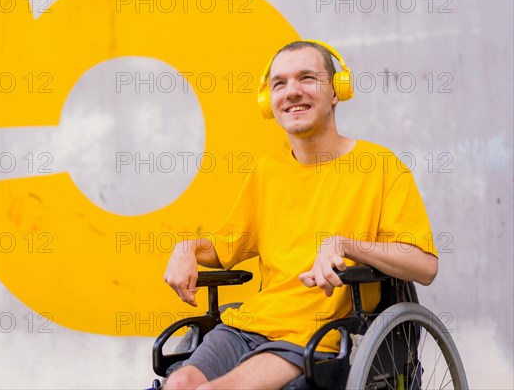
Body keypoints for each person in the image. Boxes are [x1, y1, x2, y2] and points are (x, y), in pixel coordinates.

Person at [163, 40, 439, 390]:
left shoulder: (380, 167)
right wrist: (186, 249)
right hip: (249, 324)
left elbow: (424, 266)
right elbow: (226, 246)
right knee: (179, 383)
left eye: (307, 78)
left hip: (317, 333)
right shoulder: (266, 172)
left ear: (337, 91)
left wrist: (345, 246)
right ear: (269, 102)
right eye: (279, 84)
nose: (292, 92)